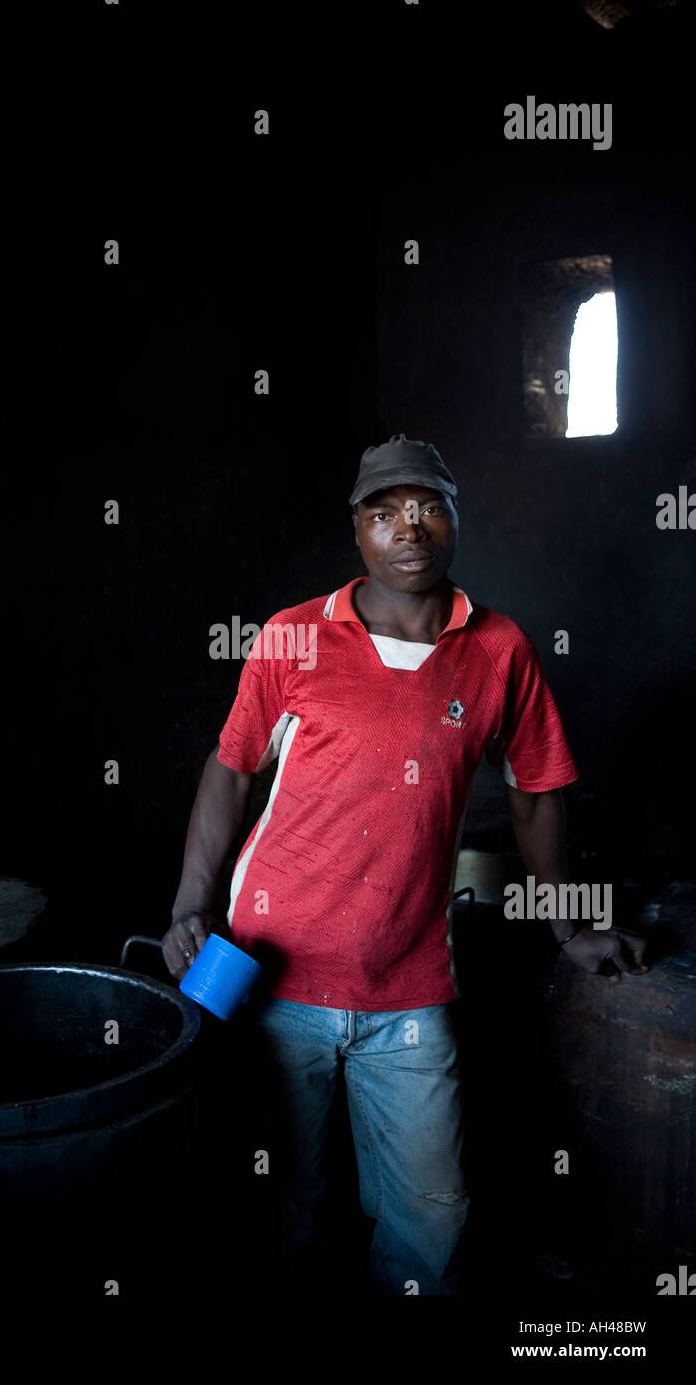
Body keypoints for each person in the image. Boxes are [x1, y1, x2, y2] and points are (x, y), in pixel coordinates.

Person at [161, 435, 649, 1298]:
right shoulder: (291, 638)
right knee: (285, 1205)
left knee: (434, 1218)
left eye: (426, 508)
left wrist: (567, 925)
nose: (407, 529)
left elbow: (537, 795)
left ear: (455, 519)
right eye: (383, 513)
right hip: (268, 977)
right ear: (357, 529)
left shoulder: (499, 652)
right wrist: (190, 908)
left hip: (411, 990)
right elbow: (231, 770)